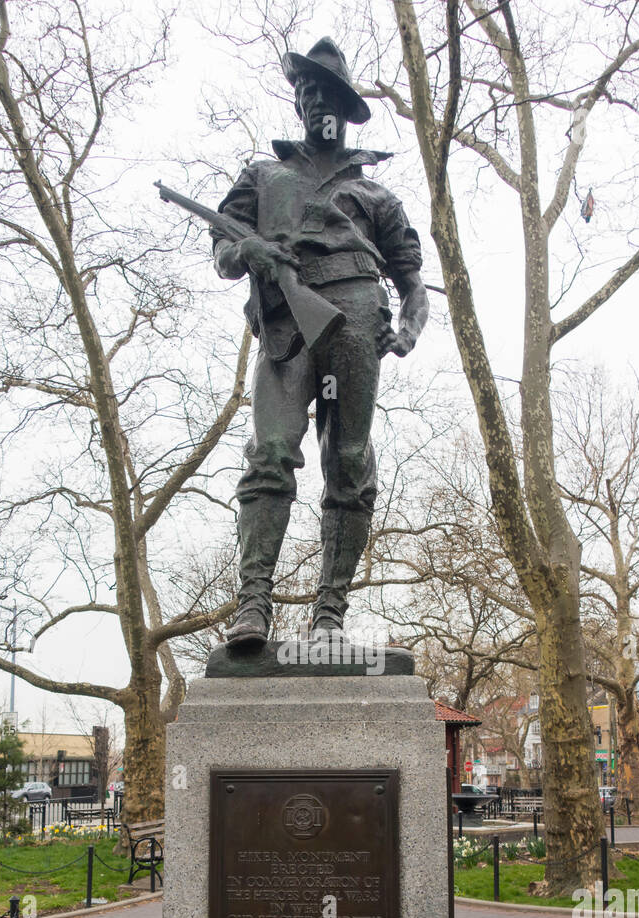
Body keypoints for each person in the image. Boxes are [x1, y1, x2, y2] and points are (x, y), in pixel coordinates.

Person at [211, 37, 428, 648]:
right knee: (272, 448)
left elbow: (414, 287)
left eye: (324, 91)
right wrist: (246, 249)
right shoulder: (261, 174)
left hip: (358, 323)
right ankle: (253, 605)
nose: (313, 101)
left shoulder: (379, 196)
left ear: (343, 103)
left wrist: (405, 332)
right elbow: (225, 250)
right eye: (304, 91)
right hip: (286, 324)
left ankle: (329, 614)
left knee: (350, 462)